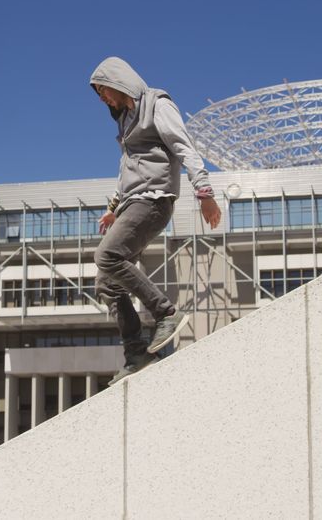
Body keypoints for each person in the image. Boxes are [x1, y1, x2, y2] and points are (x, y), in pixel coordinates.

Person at [89, 57, 222, 386]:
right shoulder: (126, 122)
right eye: (100, 95)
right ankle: (137, 354)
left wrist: (204, 193)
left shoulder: (157, 103)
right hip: (132, 203)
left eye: (104, 90)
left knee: (107, 256)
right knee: (107, 284)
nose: (103, 99)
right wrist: (114, 205)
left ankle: (166, 312)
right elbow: (127, 169)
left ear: (118, 82)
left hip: (154, 200)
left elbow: (183, 147)